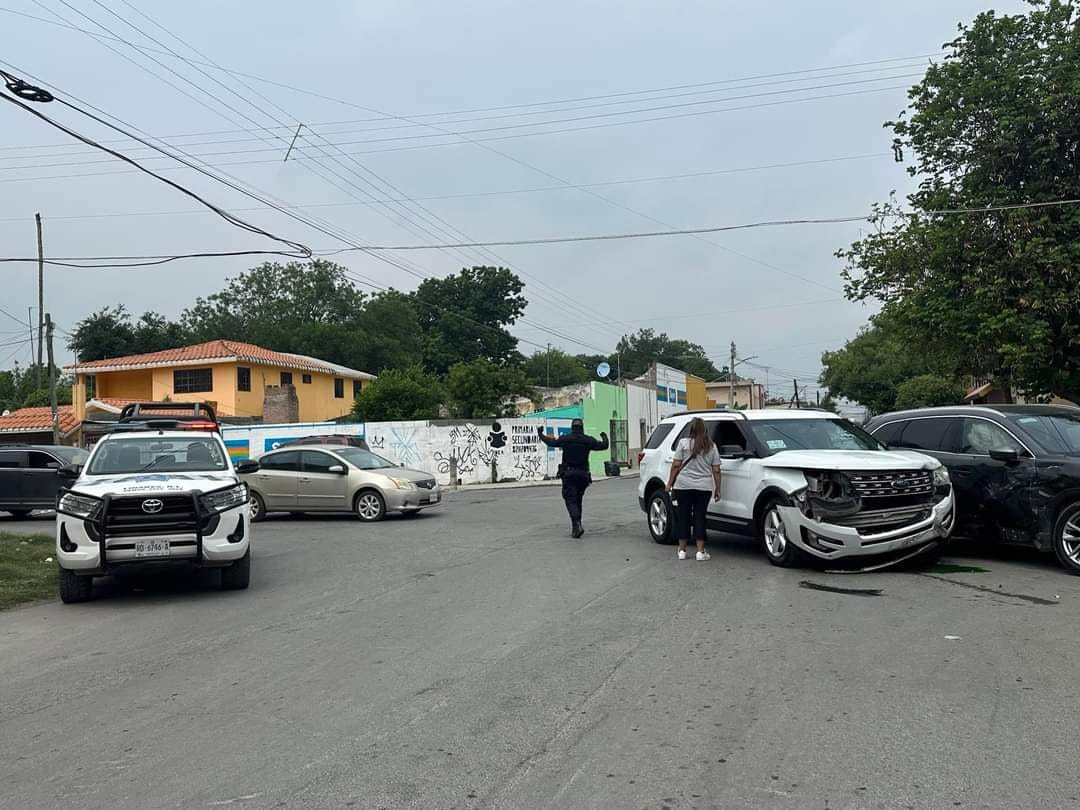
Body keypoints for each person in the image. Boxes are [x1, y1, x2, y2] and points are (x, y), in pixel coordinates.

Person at [538, 419, 609, 538]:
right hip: (583, 476)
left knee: (571, 500)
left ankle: (576, 525)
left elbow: (551, 442)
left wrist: (540, 434)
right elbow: (604, 445)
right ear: (582, 428)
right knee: (578, 500)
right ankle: (577, 526)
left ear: (572, 427)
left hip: (569, 474)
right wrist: (604, 436)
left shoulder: (566, 439)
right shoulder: (588, 440)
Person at [666, 417, 722, 561]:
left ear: (691, 429)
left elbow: (675, 465)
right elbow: (716, 470)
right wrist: (718, 489)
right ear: (704, 429)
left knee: (683, 516)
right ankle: (700, 551)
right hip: (704, 487)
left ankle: (682, 551)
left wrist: (669, 483)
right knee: (699, 517)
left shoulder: (683, 444)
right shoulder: (711, 446)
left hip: (683, 486)